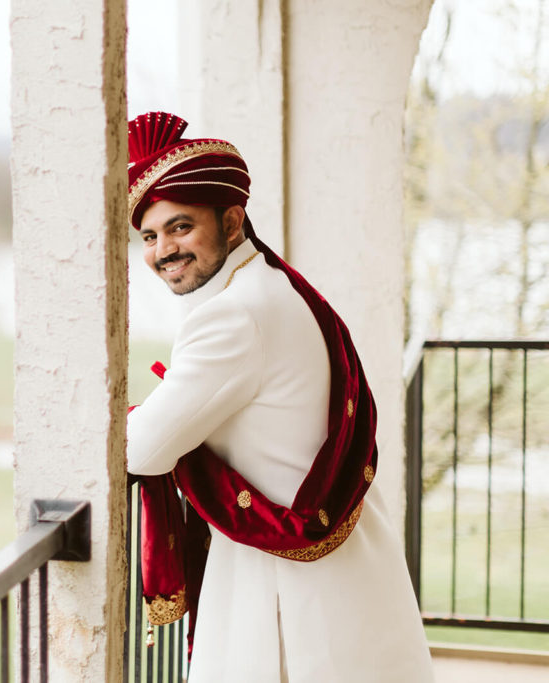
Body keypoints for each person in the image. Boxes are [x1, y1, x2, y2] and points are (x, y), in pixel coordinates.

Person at [125, 112, 434, 682]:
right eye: (149, 236)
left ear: (232, 219)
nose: (162, 250)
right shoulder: (272, 282)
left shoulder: (231, 316)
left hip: (286, 583)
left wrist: (136, 414)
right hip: (348, 556)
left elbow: (142, 451)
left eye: (180, 227)